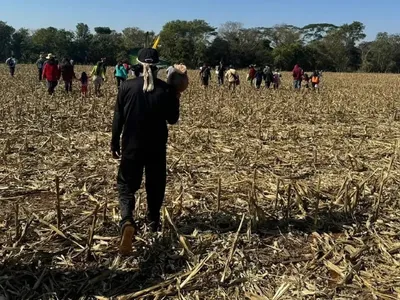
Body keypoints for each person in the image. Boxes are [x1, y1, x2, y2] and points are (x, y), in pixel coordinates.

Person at [111, 48, 182, 255]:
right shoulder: (165, 89)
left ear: (139, 65)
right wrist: (176, 94)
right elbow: (173, 119)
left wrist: (114, 142)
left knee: (126, 184)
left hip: (131, 146)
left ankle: (127, 220)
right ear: (157, 67)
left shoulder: (126, 86)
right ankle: (152, 222)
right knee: (155, 183)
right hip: (156, 146)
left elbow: (118, 118)